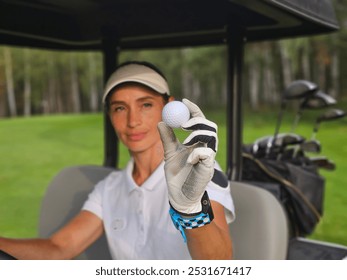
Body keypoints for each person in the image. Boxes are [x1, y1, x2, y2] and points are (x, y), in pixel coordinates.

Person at [0, 61, 234, 260]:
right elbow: (58, 248)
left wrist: (191, 212)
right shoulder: (109, 188)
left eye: (145, 105)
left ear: (168, 105)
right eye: (120, 108)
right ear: (110, 116)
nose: (133, 121)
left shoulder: (198, 166)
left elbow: (219, 263)